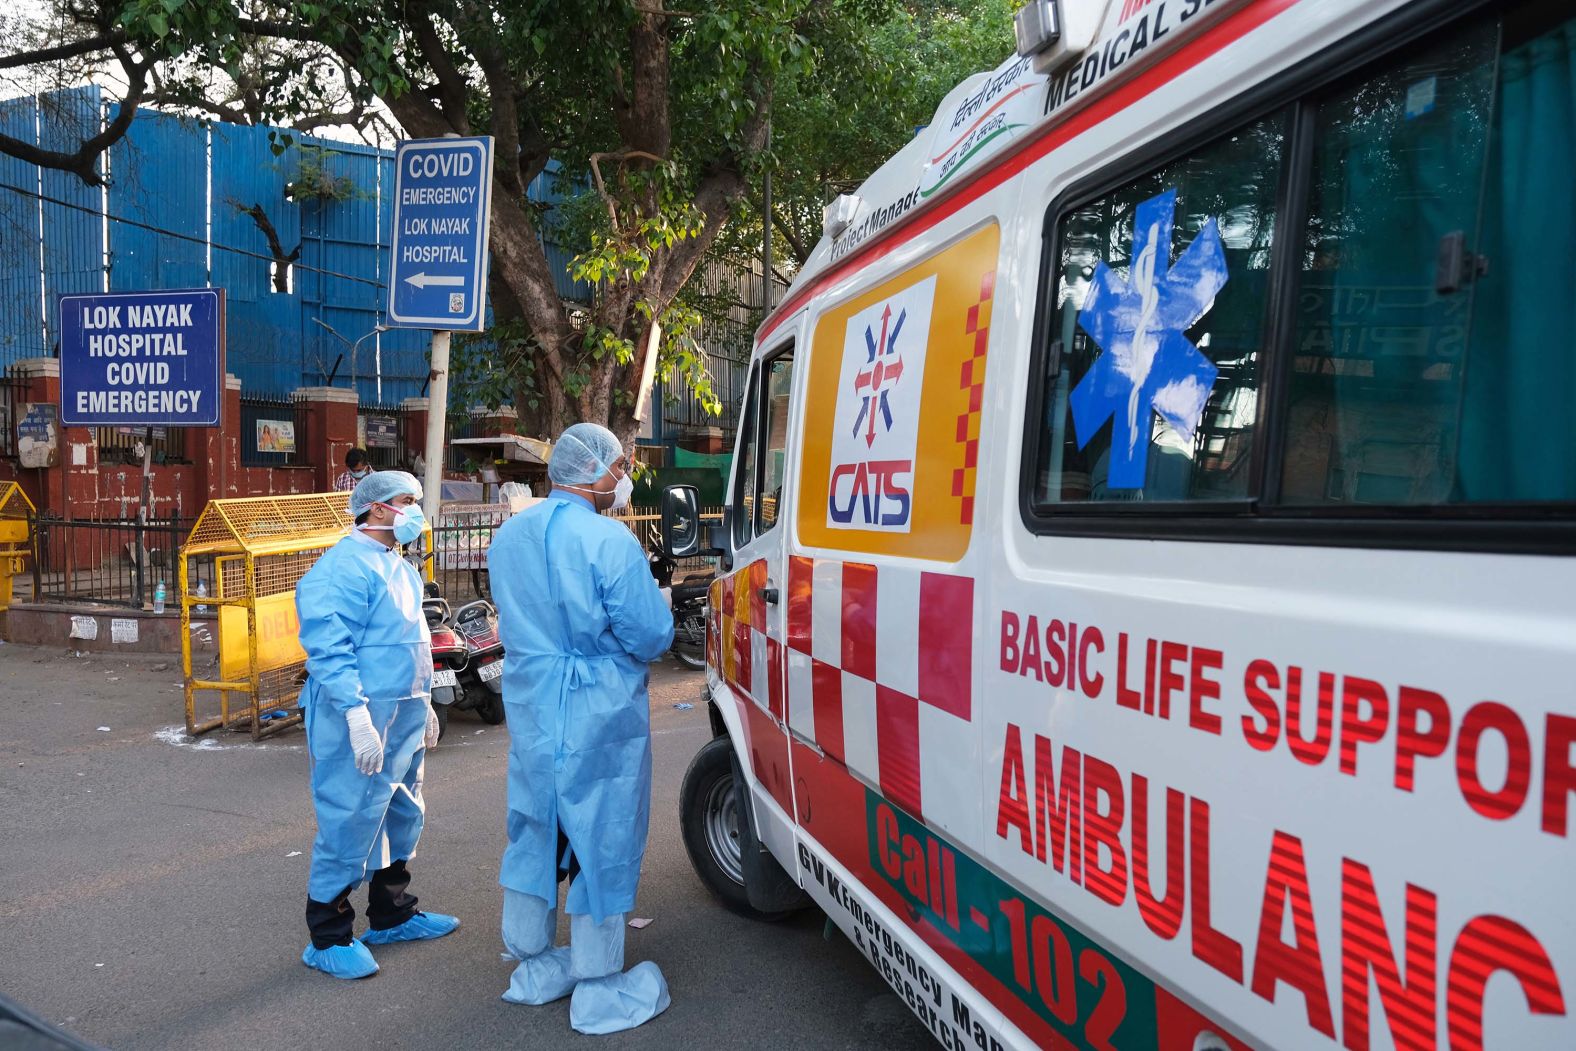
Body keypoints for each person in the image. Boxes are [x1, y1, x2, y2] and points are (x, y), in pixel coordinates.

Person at [487, 423, 674, 1034]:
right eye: (619, 468)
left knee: (536, 825)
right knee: (603, 833)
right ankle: (598, 985)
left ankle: (534, 964)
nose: (622, 479)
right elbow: (648, 636)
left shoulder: (508, 538)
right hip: (600, 707)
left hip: (534, 702)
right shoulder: (610, 542)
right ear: (596, 471)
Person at [294, 470, 458, 979]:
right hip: (359, 715)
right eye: (407, 501)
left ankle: (391, 913)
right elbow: (327, 645)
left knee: (402, 811)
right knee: (349, 816)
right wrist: (355, 713)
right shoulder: (342, 567)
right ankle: (327, 933)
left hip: (403, 713)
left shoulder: (399, 566)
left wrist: (425, 701)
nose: (415, 510)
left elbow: (410, 642)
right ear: (378, 508)